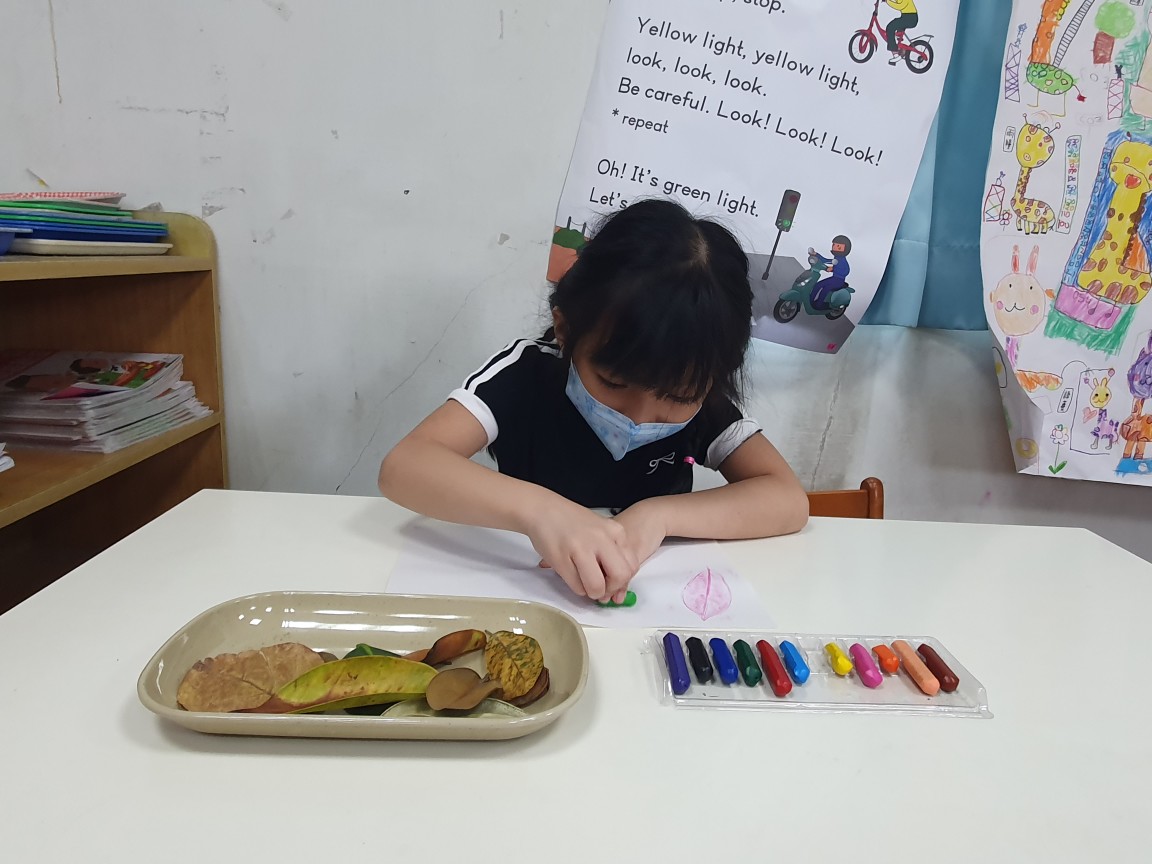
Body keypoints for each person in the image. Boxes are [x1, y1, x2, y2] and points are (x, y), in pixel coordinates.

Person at [379, 198, 809, 605]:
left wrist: (659, 516)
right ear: (565, 331)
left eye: (677, 397)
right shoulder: (527, 373)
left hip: (650, 601)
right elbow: (405, 466)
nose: (639, 417)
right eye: (613, 383)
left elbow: (787, 499)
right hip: (529, 590)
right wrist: (541, 513)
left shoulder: (702, 394)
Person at [811, 235, 852, 309]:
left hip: (838, 281)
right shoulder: (837, 258)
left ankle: (819, 305)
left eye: (838, 247)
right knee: (818, 285)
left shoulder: (842, 260)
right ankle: (811, 300)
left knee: (825, 288)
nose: (834, 247)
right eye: (834, 245)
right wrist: (816, 254)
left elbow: (846, 271)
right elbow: (826, 261)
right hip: (834, 278)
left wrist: (833, 269)